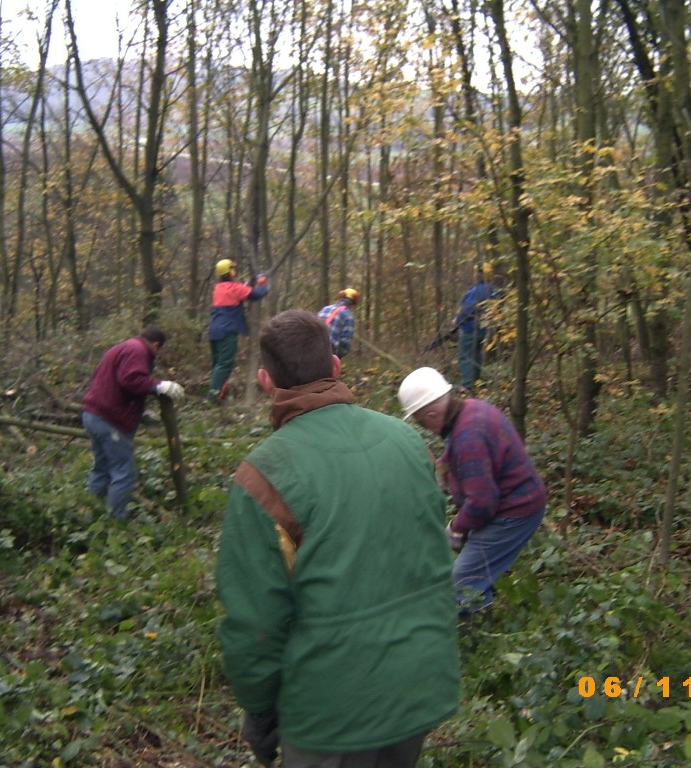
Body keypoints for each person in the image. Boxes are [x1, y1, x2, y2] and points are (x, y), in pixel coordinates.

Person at [216, 310, 459, 768]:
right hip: (420, 685)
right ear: (335, 366)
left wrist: (260, 708)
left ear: (267, 382)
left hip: (331, 713)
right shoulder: (409, 442)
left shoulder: (262, 477)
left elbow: (256, 622)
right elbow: (431, 552)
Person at [398, 366, 546, 616]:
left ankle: (475, 629)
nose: (424, 427)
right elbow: (463, 455)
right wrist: (444, 470)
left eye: (421, 421)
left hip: (514, 511)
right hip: (510, 502)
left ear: (432, 414)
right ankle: (482, 602)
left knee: (460, 585)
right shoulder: (470, 409)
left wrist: (455, 528)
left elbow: (482, 503)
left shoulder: (469, 437)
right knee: (473, 572)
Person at [81, 326, 185, 520]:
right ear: (156, 345)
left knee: (102, 466)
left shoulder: (122, 347)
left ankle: (93, 514)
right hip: (110, 420)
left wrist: (139, 411)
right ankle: (116, 520)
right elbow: (130, 379)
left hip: (92, 414)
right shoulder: (138, 350)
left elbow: (114, 383)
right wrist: (158, 386)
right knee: (124, 472)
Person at [207, 258, 270, 403]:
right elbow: (256, 295)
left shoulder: (219, 288)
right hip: (227, 331)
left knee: (217, 365)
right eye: (232, 269)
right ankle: (212, 397)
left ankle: (217, 394)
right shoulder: (235, 288)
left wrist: (253, 281)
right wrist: (263, 285)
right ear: (230, 272)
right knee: (224, 364)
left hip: (214, 330)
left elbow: (242, 290)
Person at [454, 262, 497, 393]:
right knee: (477, 355)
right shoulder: (493, 290)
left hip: (470, 328)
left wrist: (457, 321)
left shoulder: (475, 291)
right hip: (484, 329)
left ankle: (468, 386)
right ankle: (477, 382)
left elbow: (468, 310)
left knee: (466, 356)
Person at [317, 287, 359, 358]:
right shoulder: (348, 315)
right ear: (353, 304)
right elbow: (345, 342)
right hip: (328, 351)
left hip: (312, 347)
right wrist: (338, 357)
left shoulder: (325, 309)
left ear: (340, 298)